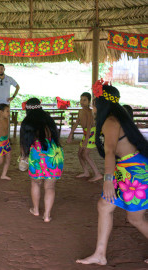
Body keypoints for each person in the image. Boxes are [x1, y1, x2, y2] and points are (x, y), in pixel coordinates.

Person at [76, 81, 148, 266]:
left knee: (135, 218)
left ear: (100, 103)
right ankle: (100, 254)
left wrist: (107, 180)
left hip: (134, 171)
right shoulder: (116, 117)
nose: (93, 106)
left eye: (94, 102)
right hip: (125, 169)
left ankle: (100, 254)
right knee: (104, 206)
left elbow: (109, 153)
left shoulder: (110, 121)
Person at [20, 98, 64, 222]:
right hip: (55, 154)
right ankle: (47, 215)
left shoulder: (27, 122)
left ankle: (36, 210)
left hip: (36, 154)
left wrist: (23, 158)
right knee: (50, 186)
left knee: (36, 183)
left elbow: (24, 144)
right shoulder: (48, 119)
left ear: (27, 109)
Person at [67, 92, 102, 182]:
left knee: (85, 154)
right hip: (86, 133)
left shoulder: (90, 112)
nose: (82, 102)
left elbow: (90, 126)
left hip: (91, 133)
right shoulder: (81, 111)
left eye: (84, 100)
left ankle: (97, 174)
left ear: (89, 101)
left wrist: (86, 140)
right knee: (79, 154)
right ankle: (86, 172)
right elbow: (76, 123)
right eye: (81, 99)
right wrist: (71, 134)